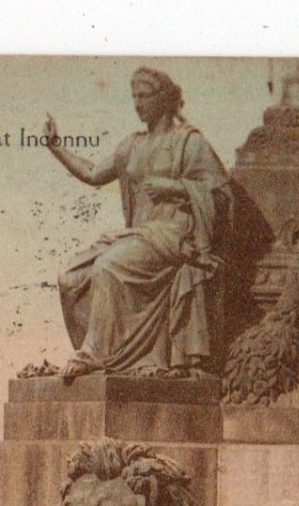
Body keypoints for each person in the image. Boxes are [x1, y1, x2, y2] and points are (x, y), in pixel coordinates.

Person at [47, 67, 232, 381]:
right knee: (72, 277)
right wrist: (56, 147)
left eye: (144, 96)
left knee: (107, 266)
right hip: (141, 235)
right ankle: (107, 352)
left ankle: (95, 355)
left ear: (164, 98)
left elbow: (222, 194)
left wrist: (177, 188)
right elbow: (93, 174)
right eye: (134, 96)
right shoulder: (131, 145)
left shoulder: (189, 142)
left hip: (173, 235)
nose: (137, 103)